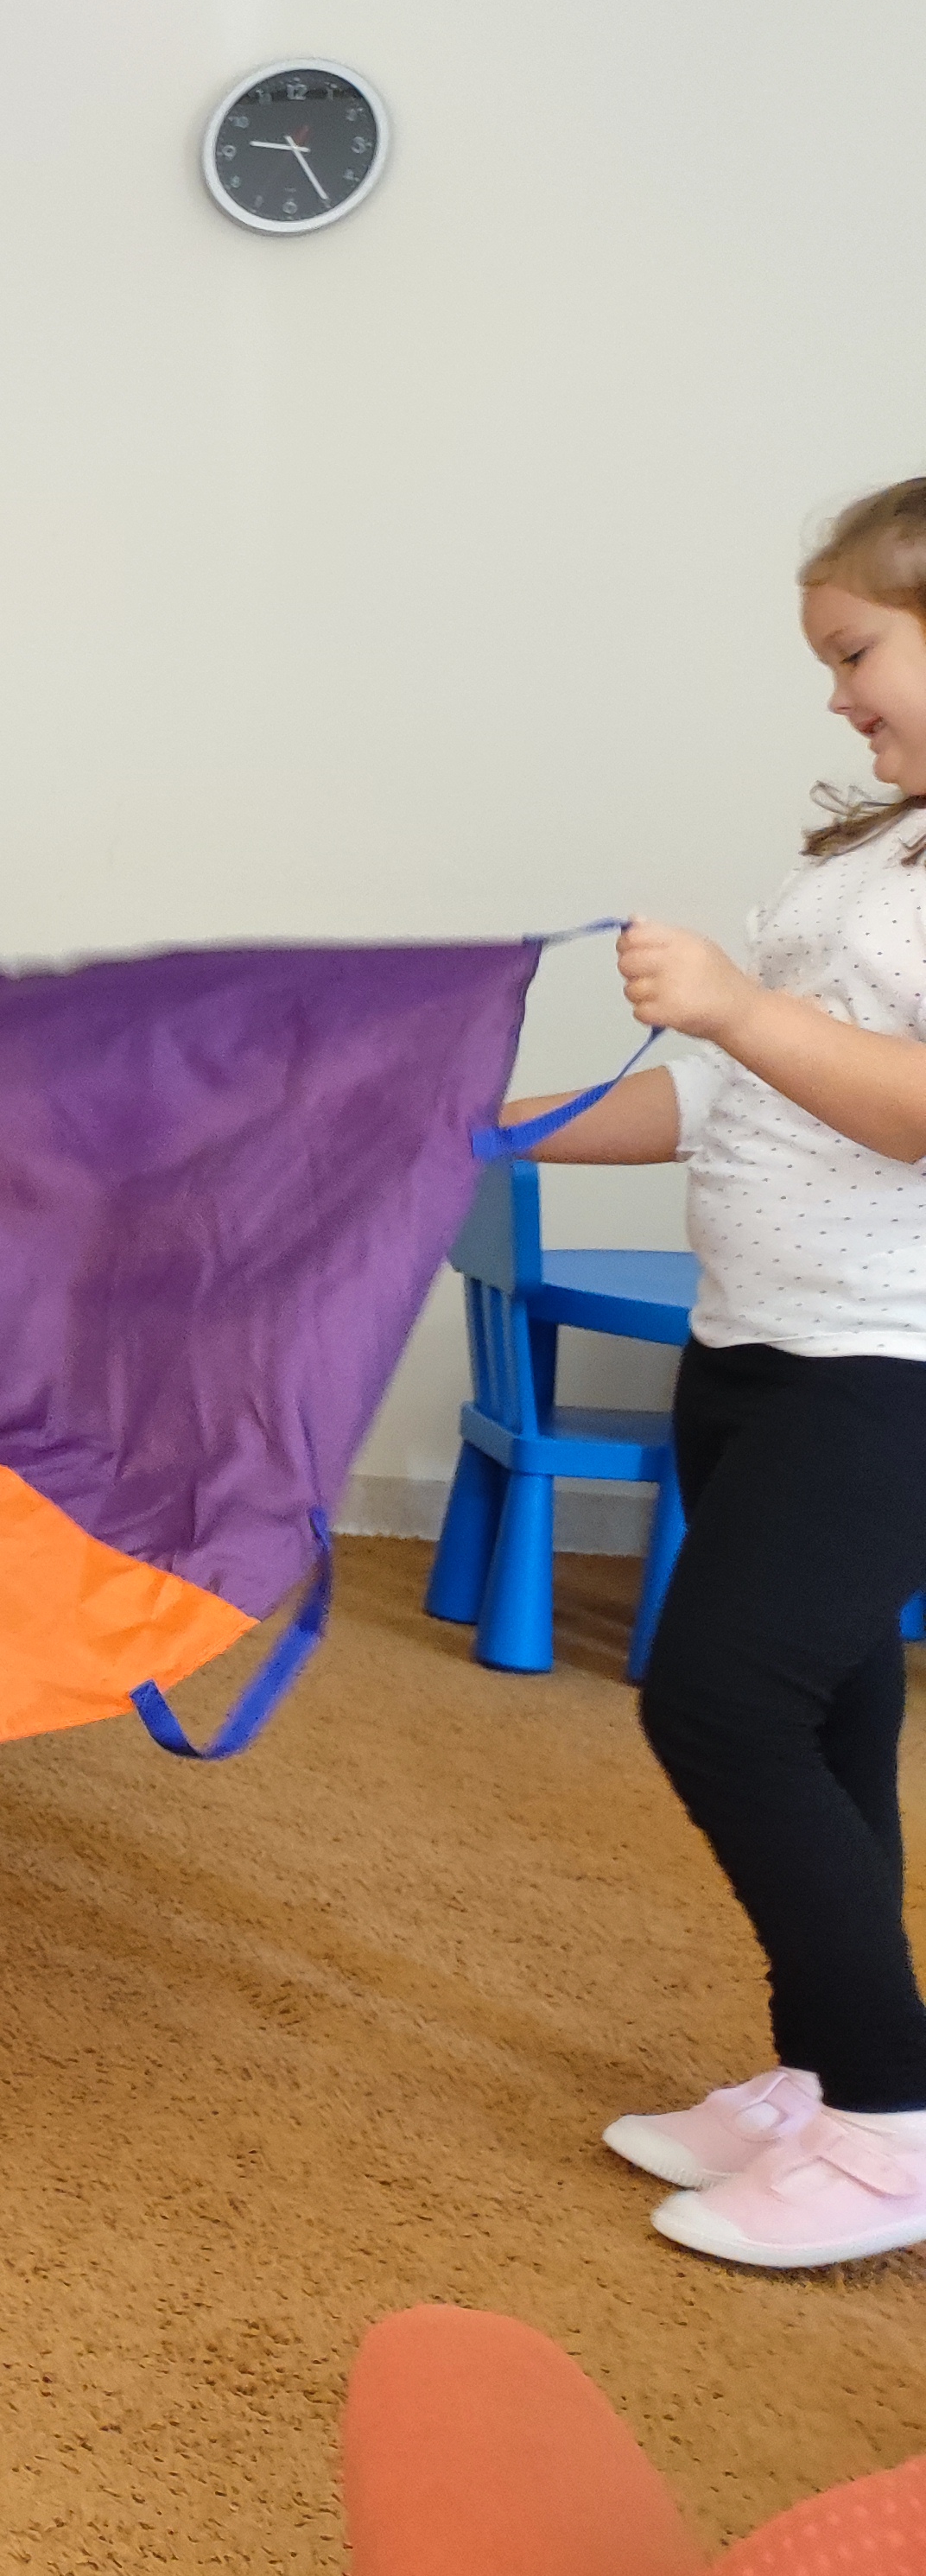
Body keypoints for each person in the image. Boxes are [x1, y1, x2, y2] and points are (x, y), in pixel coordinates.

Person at [504, 474, 926, 2271]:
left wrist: (739, 1000)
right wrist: (483, 1126)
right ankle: (829, 2068)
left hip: (886, 1368)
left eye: (857, 652)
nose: (836, 694)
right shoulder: (860, 862)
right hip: (752, 1343)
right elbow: (733, 1097)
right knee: (829, 1713)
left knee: (721, 1698)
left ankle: (891, 2124)